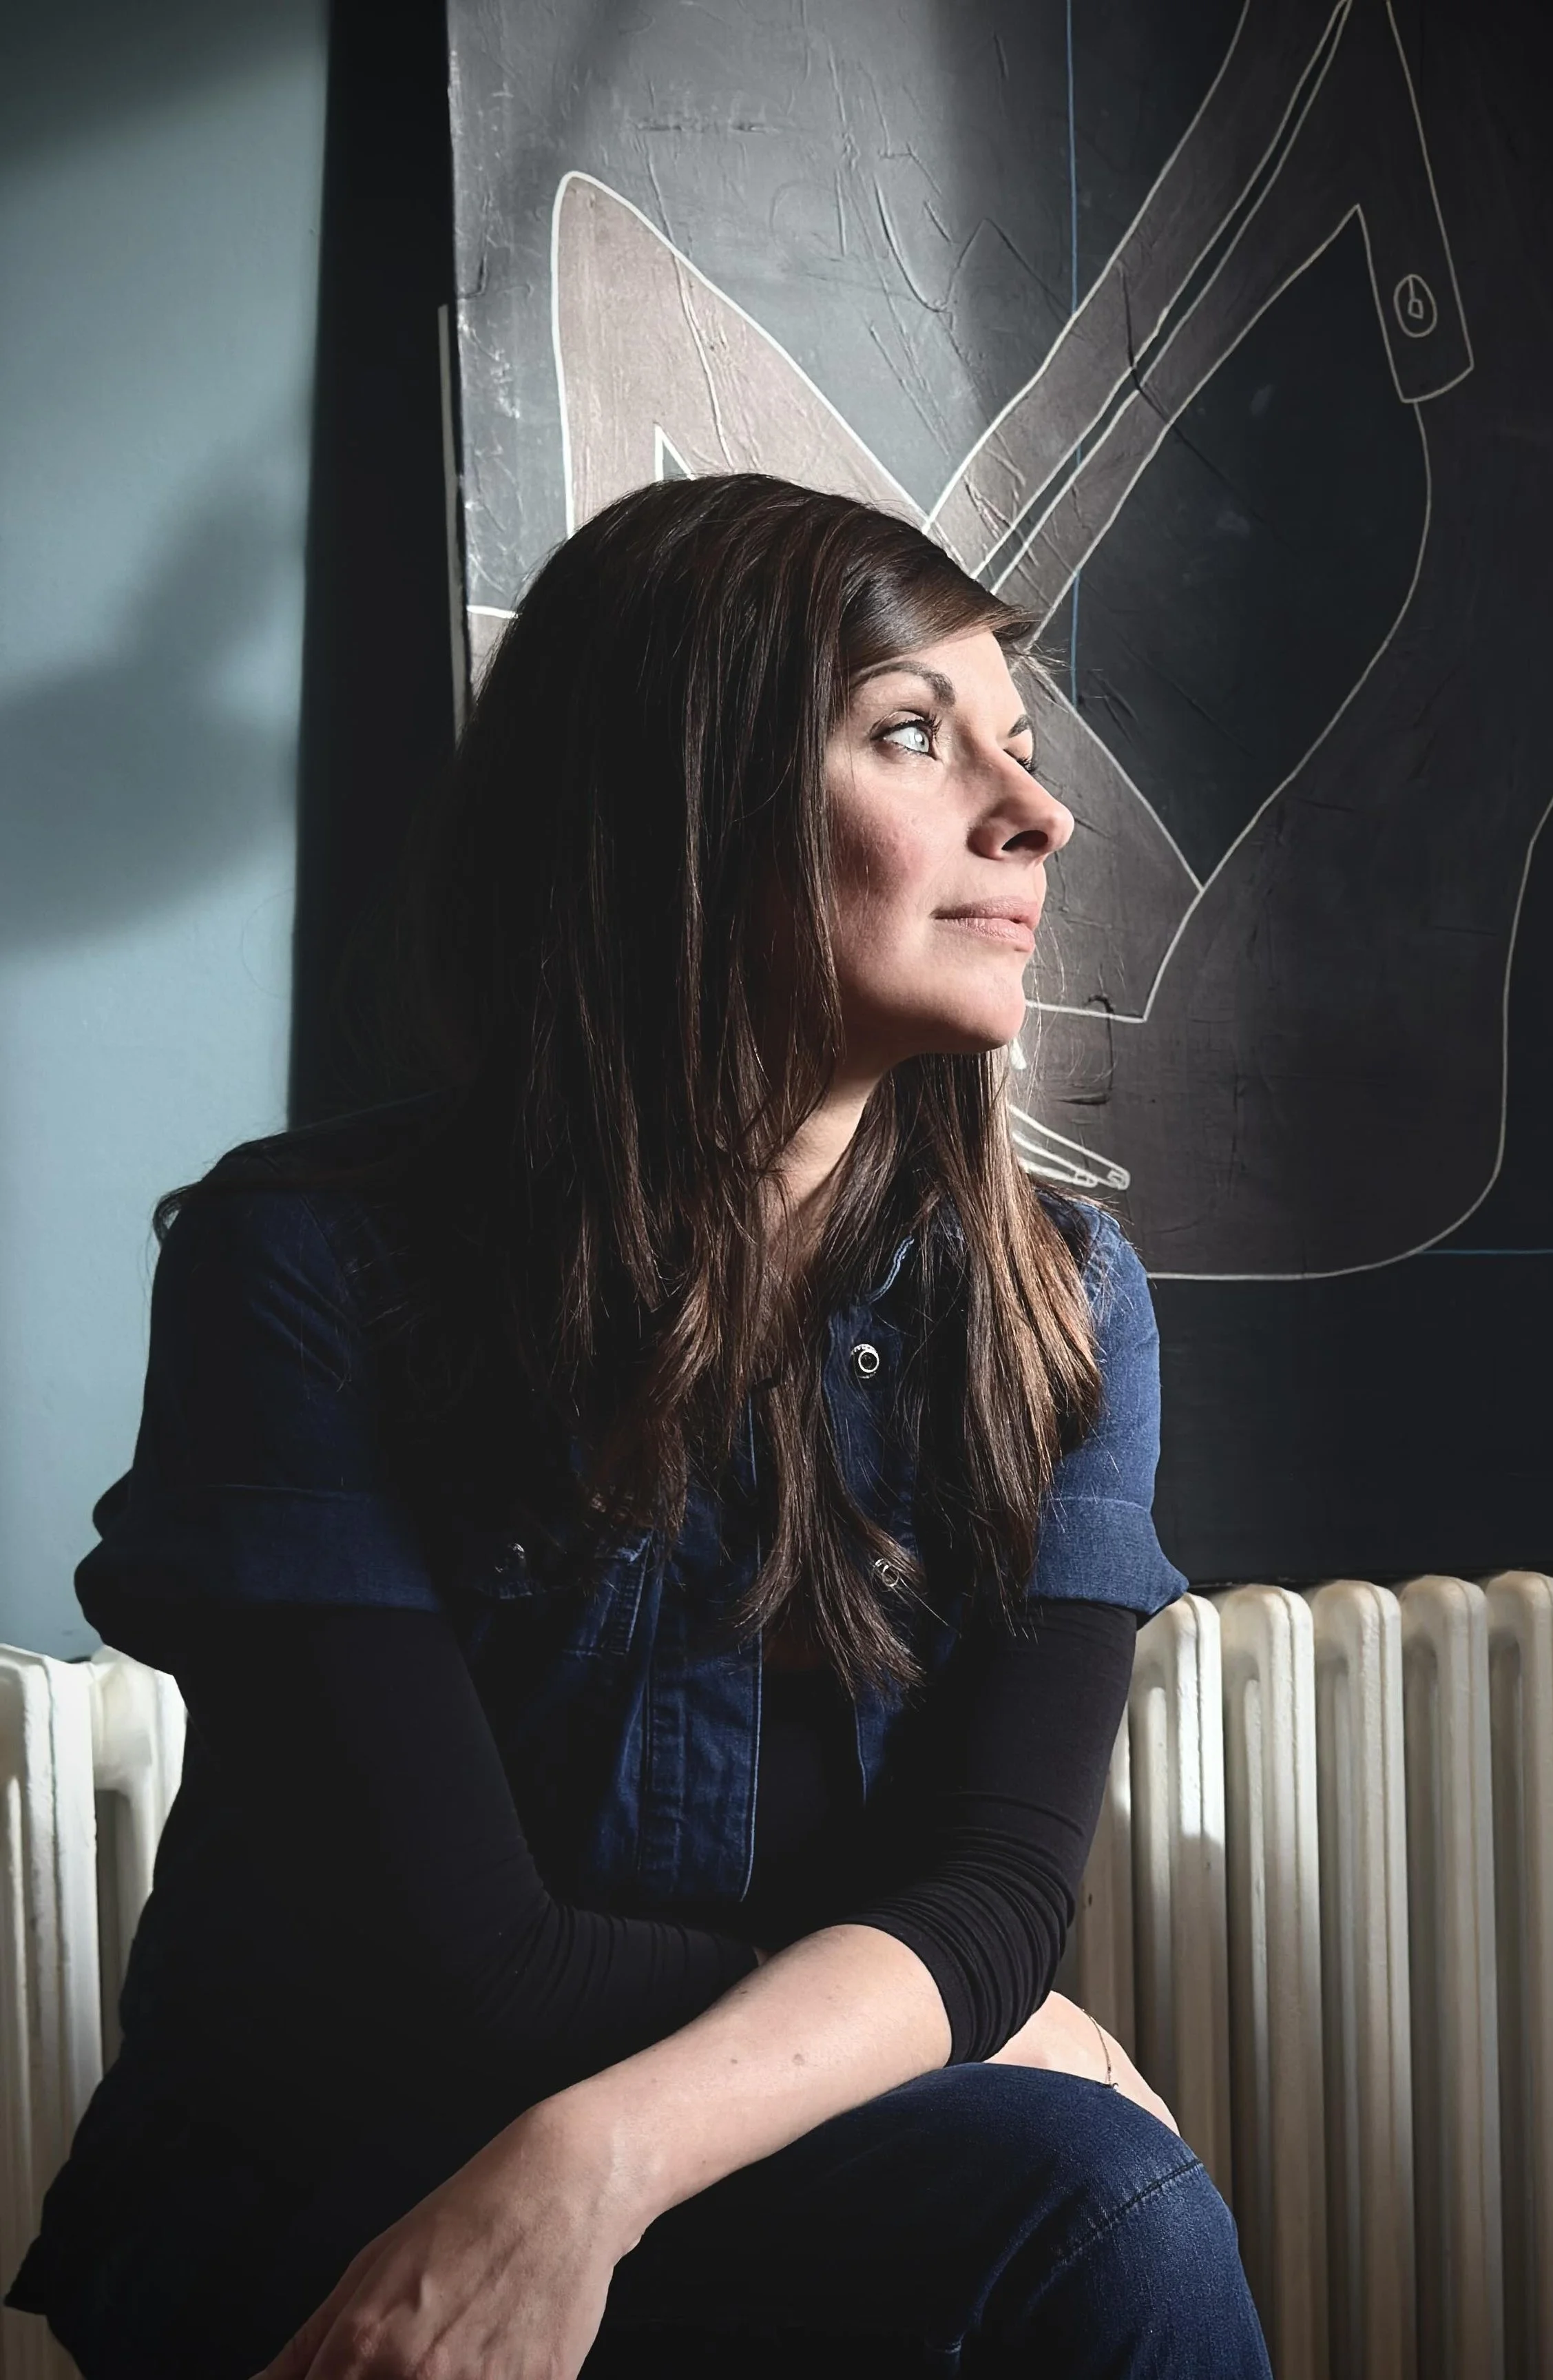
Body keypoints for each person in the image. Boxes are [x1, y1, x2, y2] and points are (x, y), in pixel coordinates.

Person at [4, 475, 1270, 2377]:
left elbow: (993, 1890)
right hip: (332, 2174)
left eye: (1016, 746)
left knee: (1100, 2210)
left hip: (746, 2146)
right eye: (910, 737)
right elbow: (476, 1964)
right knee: (1088, 2187)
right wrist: (974, 2013)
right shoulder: (308, 1273)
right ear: (689, 800)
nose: (1036, 813)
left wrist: (608, 2155)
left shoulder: (1057, 1310)